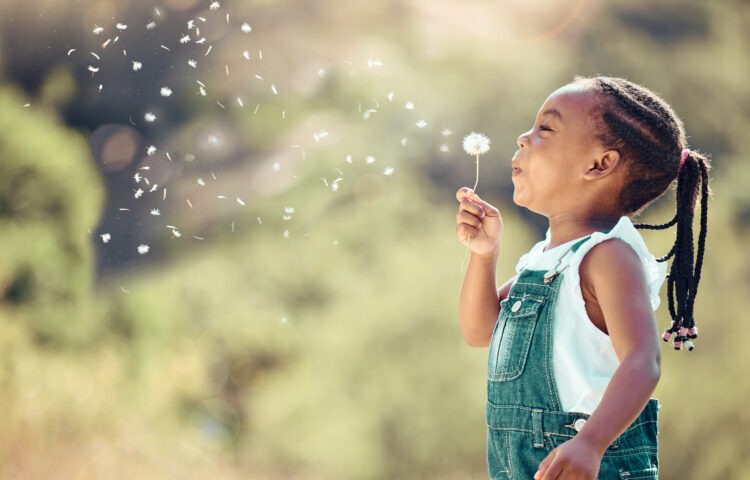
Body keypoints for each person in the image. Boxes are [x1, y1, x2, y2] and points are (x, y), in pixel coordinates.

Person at [455, 76, 710, 479]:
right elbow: (480, 331)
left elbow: (643, 360)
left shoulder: (607, 257)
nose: (523, 138)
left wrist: (591, 442)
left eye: (545, 129)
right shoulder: (544, 259)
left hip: (590, 464)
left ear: (599, 164)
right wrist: (485, 255)